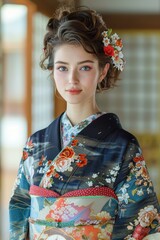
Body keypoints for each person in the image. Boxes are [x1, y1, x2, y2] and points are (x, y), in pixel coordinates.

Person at [9, 6, 160, 240]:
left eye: (85, 67)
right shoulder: (36, 143)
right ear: (52, 70)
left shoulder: (122, 146)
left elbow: (140, 226)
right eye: (62, 68)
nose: (72, 79)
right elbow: (19, 214)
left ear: (102, 71)